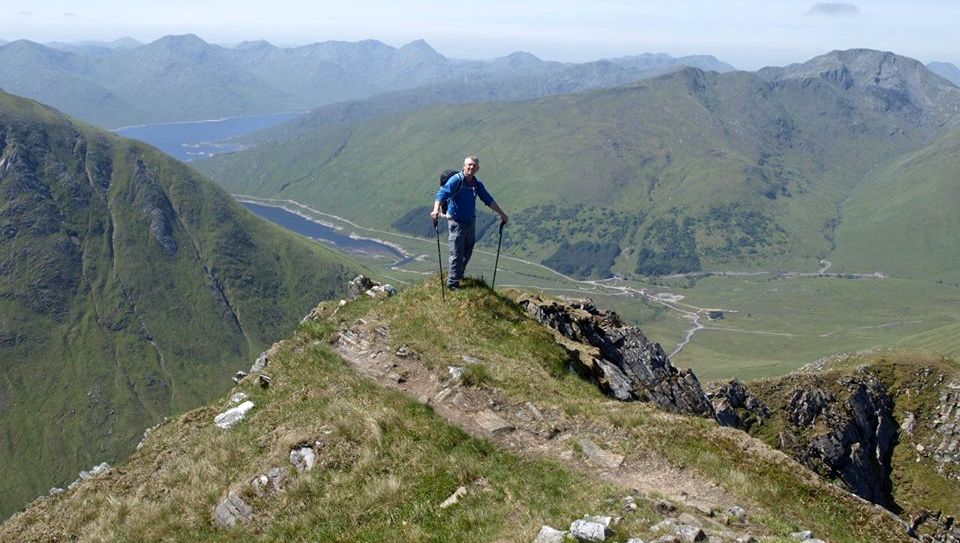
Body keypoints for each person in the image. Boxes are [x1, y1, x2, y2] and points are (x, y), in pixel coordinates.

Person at [430, 156, 508, 290]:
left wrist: (502, 213)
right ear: (464, 166)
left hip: (470, 222)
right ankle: (453, 284)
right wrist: (436, 210)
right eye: (469, 165)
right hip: (457, 222)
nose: (471, 167)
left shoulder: (477, 184)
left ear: (477, 169)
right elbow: (441, 195)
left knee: (467, 251)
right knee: (456, 253)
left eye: (474, 166)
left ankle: (458, 275)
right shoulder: (457, 180)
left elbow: (488, 199)